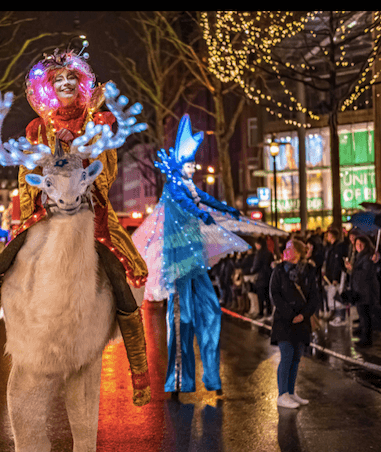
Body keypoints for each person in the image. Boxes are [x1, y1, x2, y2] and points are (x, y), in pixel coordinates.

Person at [0, 47, 151, 406]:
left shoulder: (99, 124)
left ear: (81, 85)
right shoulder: (38, 128)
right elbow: (25, 176)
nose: (65, 84)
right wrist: (39, 190)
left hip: (88, 216)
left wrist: (84, 154)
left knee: (118, 278)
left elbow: (107, 174)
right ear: (50, 89)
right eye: (59, 80)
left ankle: (140, 372)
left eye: (71, 79)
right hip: (46, 212)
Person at [132, 114, 250, 395]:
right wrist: (202, 215)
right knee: (181, 321)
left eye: (194, 164)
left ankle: (212, 377)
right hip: (179, 264)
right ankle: (178, 379)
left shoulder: (189, 185)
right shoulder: (173, 188)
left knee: (211, 313)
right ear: (179, 166)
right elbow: (187, 204)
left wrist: (226, 209)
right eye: (190, 164)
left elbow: (203, 199)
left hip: (195, 262)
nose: (193, 168)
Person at [269, 239, 320, 409]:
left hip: (302, 321)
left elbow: (314, 296)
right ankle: (282, 394)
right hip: (284, 321)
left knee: (297, 358)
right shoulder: (278, 270)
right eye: (285, 247)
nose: (285, 250)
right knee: (287, 355)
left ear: (298, 253)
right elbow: (275, 294)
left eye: (289, 247)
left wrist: (303, 315)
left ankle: (291, 392)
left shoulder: (309, 271)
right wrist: (290, 314)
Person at [345, 235, 380, 347]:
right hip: (360, 289)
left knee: (365, 315)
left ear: (366, 244)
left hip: (366, 290)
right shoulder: (359, 256)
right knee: (362, 314)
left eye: (361, 244)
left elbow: (365, 273)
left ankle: (366, 339)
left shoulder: (368, 256)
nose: (358, 246)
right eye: (356, 244)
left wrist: (353, 268)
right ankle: (364, 335)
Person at [322, 228, 348, 325]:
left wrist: (335, 278)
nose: (327, 237)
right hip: (330, 276)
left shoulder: (338, 247)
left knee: (337, 296)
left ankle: (340, 317)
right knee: (333, 296)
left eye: (328, 235)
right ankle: (336, 316)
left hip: (335, 277)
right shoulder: (331, 247)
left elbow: (336, 263)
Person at [248, 236, 274, 318]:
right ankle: (269, 313)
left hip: (261, 277)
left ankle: (261, 314)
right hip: (268, 277)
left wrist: (251, 270)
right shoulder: (269, 253)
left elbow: (256, 266)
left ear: (259, 244)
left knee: (260, 296)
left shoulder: (259, 254)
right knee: (267, 296)